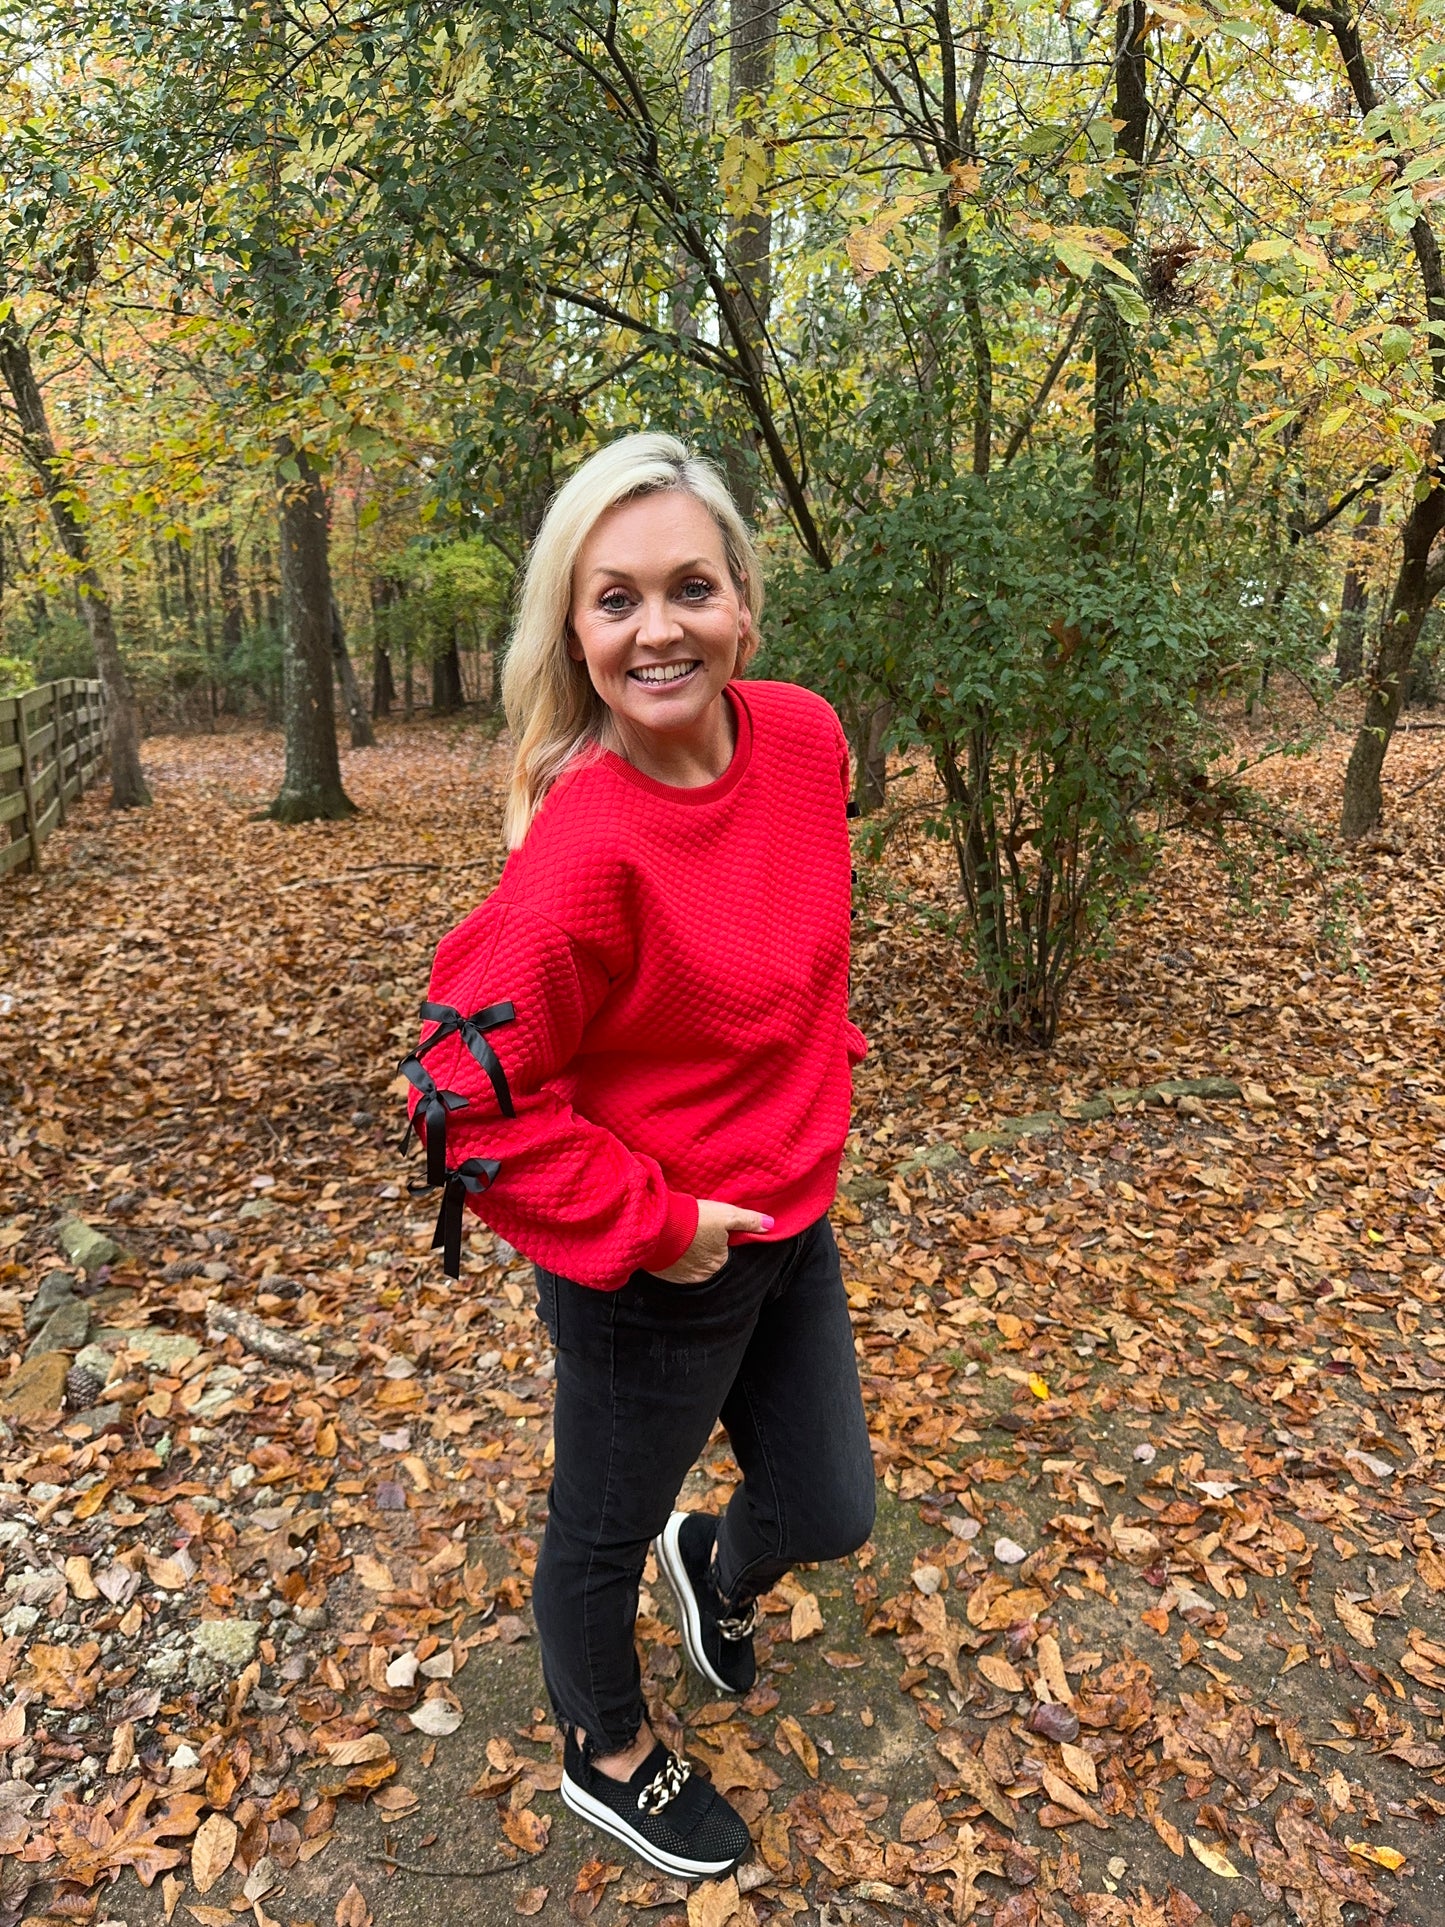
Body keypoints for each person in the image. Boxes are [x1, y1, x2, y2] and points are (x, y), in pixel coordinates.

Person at [402, 432, 875, 1881]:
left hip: (792, 1214)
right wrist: (654, 1221)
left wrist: (816, 1078)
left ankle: (715, 1569)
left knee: (829, 1508)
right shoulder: (583, 849)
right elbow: (454, 1098)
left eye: (688, 588)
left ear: (741, 600)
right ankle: (604, 1751)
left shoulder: (801, 735)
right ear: (575, 628)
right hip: (653, 1271)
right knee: (595, 1535)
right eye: (615, 600)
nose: (657, 627)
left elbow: (794, 944)